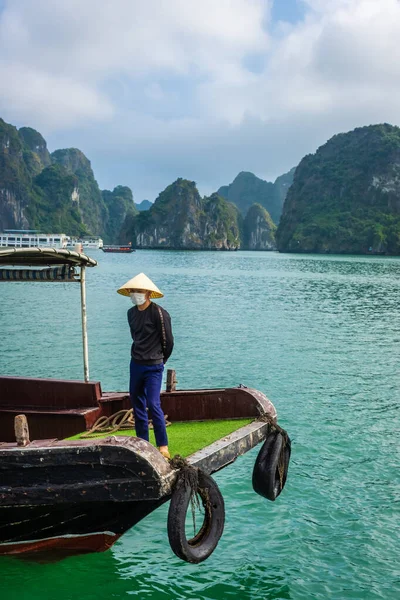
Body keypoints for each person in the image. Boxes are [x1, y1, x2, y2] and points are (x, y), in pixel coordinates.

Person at [117, 273, 174, 459]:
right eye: (133, 291)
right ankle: (143, 443)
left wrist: (160, 360)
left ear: (148, 293)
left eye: (139, 291)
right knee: (137, 403)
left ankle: (163, 446)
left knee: (153, 403)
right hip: (136, 364)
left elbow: (169, 342)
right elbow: (136, 337)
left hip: (154, 366)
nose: (135, 294)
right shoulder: (131, 313)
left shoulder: (159, 313)